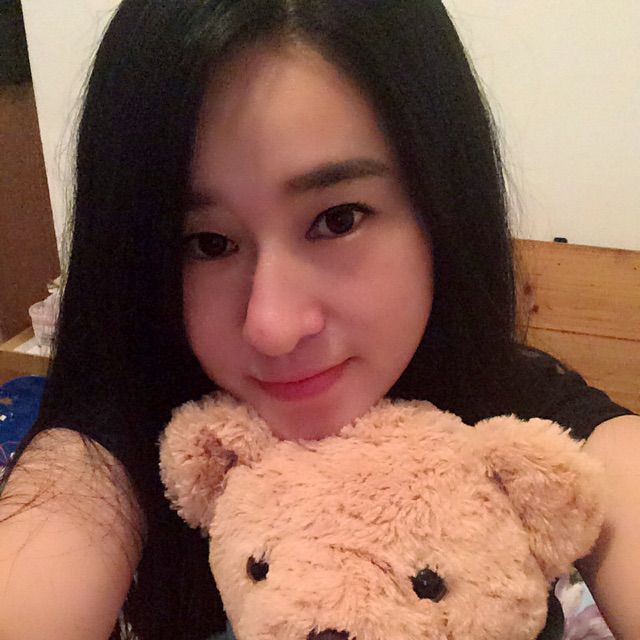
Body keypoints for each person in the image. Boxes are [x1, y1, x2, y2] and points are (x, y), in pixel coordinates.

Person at [0, 1, 638, 639]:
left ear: (443, 207)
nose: (272, 326)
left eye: (338, 219)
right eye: (207, 243)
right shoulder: (120, 447)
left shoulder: (528, 420)